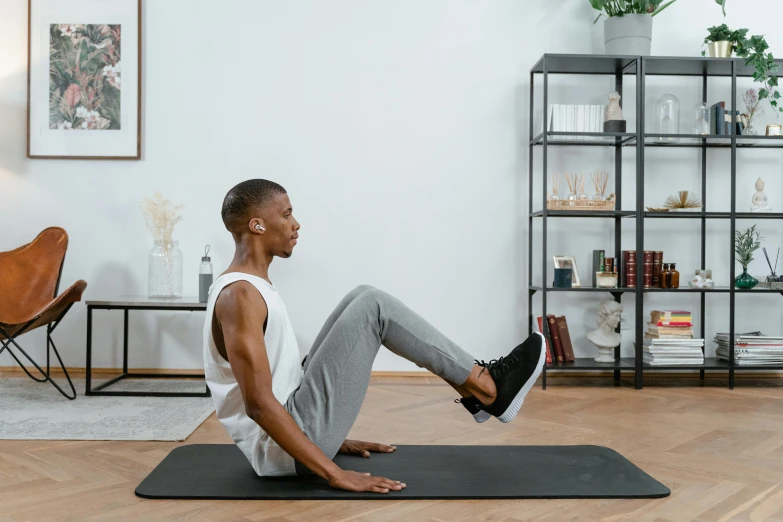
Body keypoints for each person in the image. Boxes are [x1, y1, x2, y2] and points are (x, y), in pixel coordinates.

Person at [203, 179, 546, 494]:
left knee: (362, 295)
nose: (296, 224)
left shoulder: (250, 287)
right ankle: (487, 387)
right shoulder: (240, 296)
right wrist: (332, 471)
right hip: (281, 453)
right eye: (287, 214)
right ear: (257, 225)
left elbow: (278, 383)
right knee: (373, 306)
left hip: (293, 432)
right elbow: (259, 405)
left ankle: (476, 391)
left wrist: (332, 438)